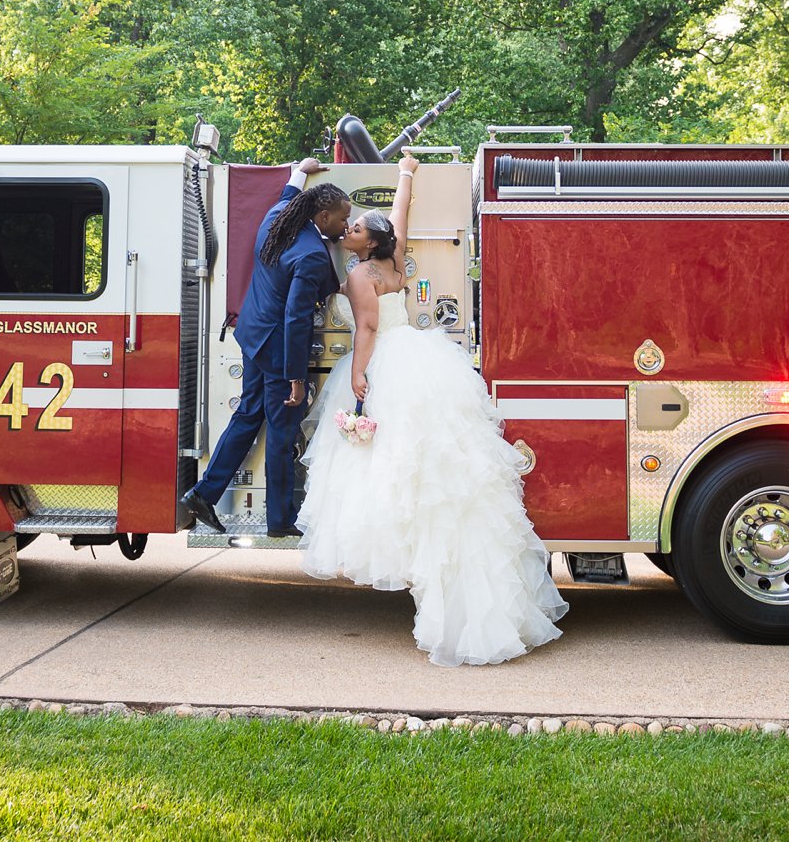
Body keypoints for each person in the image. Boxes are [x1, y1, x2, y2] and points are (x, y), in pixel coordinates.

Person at [299, 152, 567, 665]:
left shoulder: (359, 276)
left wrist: (358, 375)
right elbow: (399, 218)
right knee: (435, 466)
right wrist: (406, 173)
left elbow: (370, 329)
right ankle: (450, 583)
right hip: (421, 357)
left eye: (355, 227)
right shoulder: (393, 263)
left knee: (397, 469)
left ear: (367, 243)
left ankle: (421, 566)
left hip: (389, 360)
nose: (349, 227)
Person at [184, 158, 350, 539]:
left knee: (248, 415)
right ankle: (280, 520)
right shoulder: (310, 253)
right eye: (342, 219)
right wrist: (294, 377)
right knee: (281, 431)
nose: (345, 226)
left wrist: (301, 171)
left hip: (253, 334)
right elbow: (296, 318)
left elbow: (288, 194)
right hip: (277, 348)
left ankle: (204, 493)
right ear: (322, 216)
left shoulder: (279, 215)